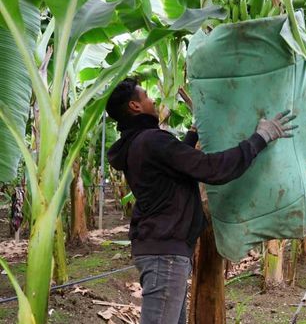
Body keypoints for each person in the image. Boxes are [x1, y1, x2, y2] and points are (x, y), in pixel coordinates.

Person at [106, 78, 296, 324]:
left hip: (161, 249)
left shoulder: (137, 143)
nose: (153, 100)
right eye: (146, 96)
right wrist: (260, 138)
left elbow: (172, 170)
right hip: (165, 253)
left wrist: (192, 134)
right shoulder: (152, 140)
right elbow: (212, 169)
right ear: (135, 106)